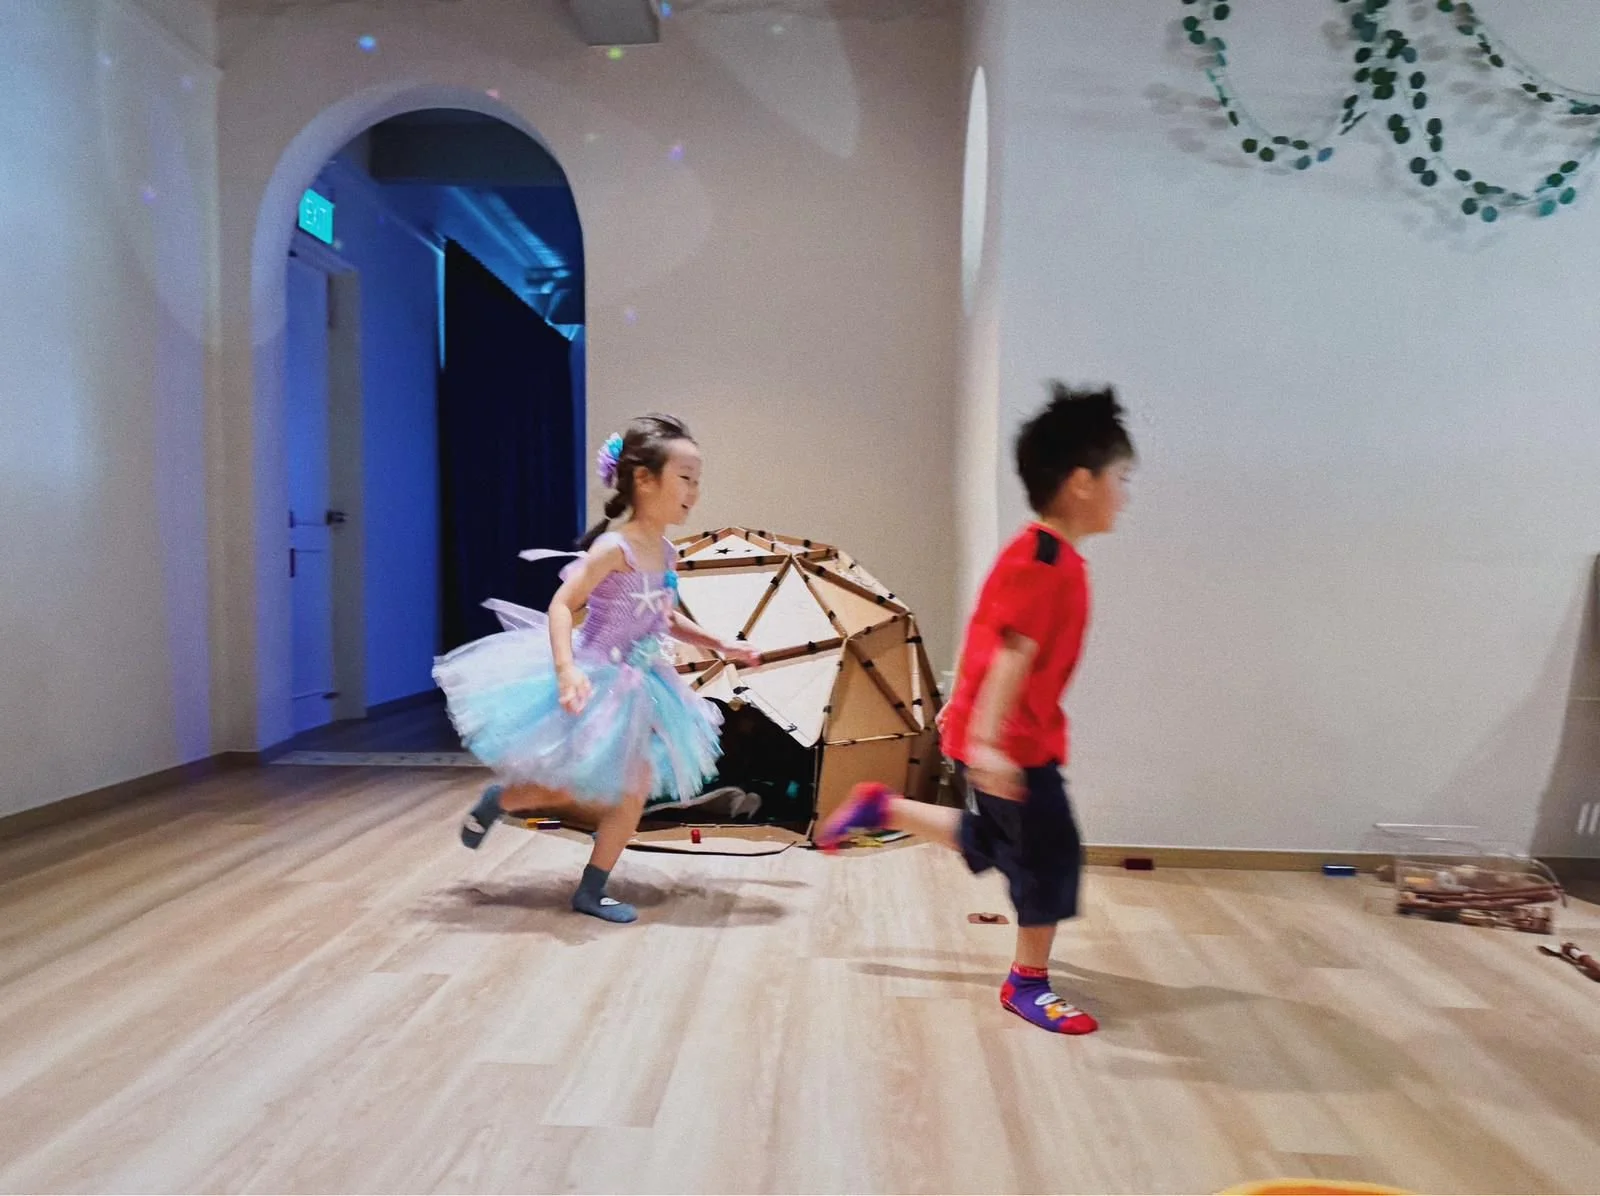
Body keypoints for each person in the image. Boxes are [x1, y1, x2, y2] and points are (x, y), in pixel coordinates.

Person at [817, 383, 1135, 1034]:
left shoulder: (1039, 555)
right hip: (1012, 745)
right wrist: (985, 739)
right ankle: (1028, 983)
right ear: (1081, 483)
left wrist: (961, 712)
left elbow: (984, 634)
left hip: (1000, 735)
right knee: (1050, 857)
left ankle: (885, 808)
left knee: (997, 841)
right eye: (1120, 478)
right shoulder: (1047, 564)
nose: (1125, 494)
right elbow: (1013, 652)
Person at [434, 414, 760, 923]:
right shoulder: (614, 548)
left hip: (645, 685)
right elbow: (563, 606)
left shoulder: (667, 550)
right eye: (684, 478)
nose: (694, 491)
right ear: (643, 479)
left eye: (698, 480)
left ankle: (592, 889)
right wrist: (567, 671)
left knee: (630, 795)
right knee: (569, 787)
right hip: (597, 678)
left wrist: (718, 642)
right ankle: (501, 800)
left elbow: (661, 614)